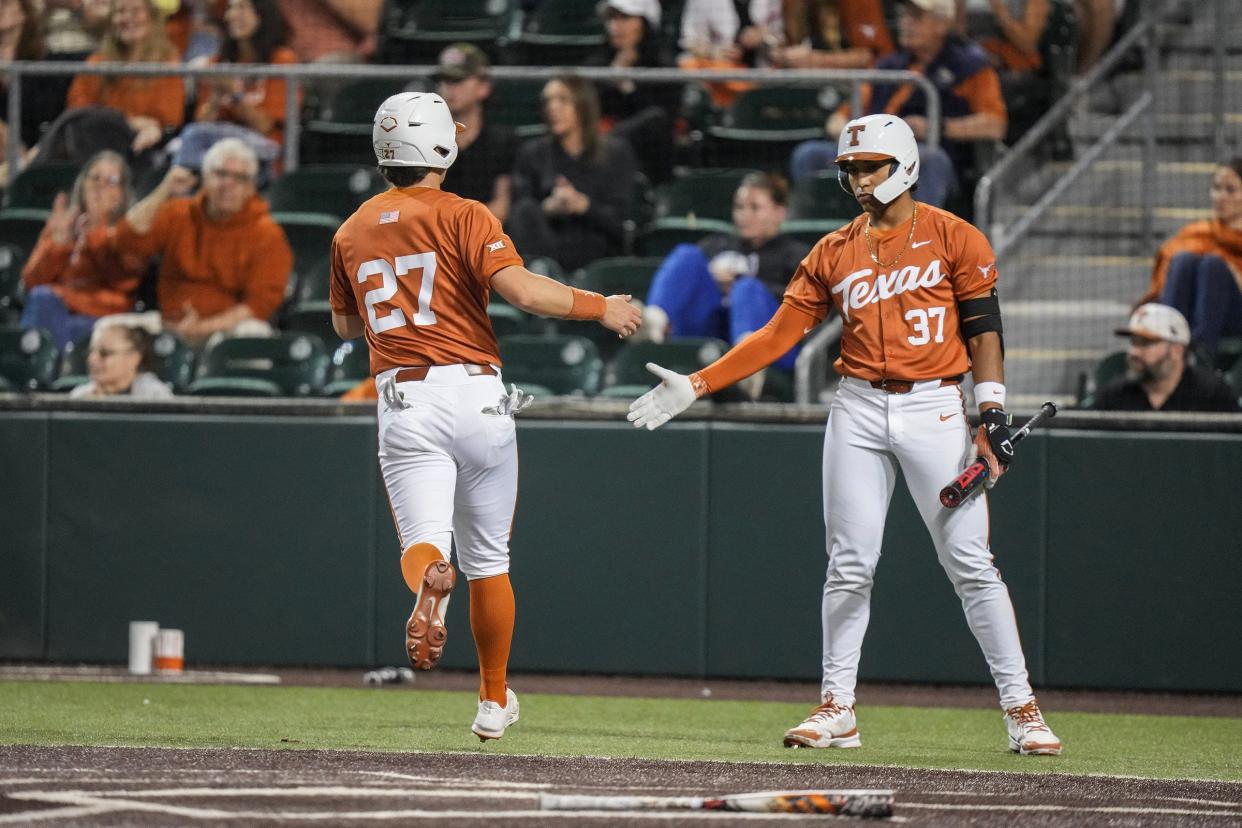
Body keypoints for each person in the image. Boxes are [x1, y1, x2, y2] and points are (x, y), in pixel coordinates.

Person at [629, 113, 1062, 756]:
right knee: (849, 564)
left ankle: (1022, 708)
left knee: (970, 563)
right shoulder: (833, 249)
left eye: (871, 166)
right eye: (851, 168)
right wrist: (698, 383)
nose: (859, 179)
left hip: (937, 407)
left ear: (906, 165)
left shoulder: (955, 237)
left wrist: (992, 413)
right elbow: (777, 335)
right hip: (857, 406)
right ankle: (838, 706)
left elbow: (983, 331)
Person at [329, 92, 640, 740]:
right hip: (477, 393)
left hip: (405, 396)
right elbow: (524, 291)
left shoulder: (350, 230)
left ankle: (428, 585)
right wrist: (598, 306)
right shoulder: (466, 214)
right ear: (442, 145)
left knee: (424, 545)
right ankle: (493, 701)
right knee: (490, 560)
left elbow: (344, 323)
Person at [788, 0, 1007, 209]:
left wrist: (935, 127)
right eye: (904, 16)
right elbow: (838, 120)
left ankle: (914, 242)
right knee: (809, 154)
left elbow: (995, 124)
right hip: (871, 153)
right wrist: (854, 135)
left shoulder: (970, 66)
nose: (905, 23)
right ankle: (823, 238)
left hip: (928, 153)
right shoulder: (888, 65)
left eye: (916, 17)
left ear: (942, 24)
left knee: (928, 159)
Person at [104, 137, 292, 345]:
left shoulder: (267, 234)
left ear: (251, 188)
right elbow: (125, 240)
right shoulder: (178, 213)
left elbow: (259, 305)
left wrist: (203, 328)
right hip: (169, 324)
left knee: (253, 334)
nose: (228, 184)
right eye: (220, 174)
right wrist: (164, 190)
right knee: (107, 329)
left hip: (225, 330)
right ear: (204, 178)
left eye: (240, 178)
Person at [643, 172, 810, 374]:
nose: (744, 215)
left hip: (770, 344)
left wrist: (739, 282)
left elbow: (803, 309)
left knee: (746, 288)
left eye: (755, 208)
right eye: (739, 207)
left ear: (779, 212)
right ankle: (654, 322)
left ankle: (748, 362)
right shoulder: (715, 245)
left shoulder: (794, 254)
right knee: (687, 255)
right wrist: (713, 280)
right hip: (710, 333)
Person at [508, 75, 638, 272]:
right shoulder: (533, 153)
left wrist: (583, 205)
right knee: (525, 209)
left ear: (583, 105)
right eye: (548, 101)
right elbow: (520, 214)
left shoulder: (615, 152)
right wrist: (548, 208)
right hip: (545, 247)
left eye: (563, 100)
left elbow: (621, 223)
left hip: (595, 248)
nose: (552, 107)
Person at [20, 151, 149, 348]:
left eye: (111, 181)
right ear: (82, 184)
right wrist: (60, 243)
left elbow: (124, 283)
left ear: (123, 193)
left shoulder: (129, 230)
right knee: (42, 298)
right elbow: (31, 280)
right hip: (58, 311)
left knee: (47, 302)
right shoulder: (62, 223)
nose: (100, 186)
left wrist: (97, 229)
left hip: (104, 318)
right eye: (95, 178)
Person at [177, 0, 296, 177]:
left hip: (264, 146)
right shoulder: (217, 63)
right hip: (217, 143)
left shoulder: (282, 60)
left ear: (262, 15)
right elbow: (203, 122)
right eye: (230, 8)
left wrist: (235, 94)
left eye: (242, 8)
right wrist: (216, 97)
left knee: (194, 140)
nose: (232, 15)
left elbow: (265, 126)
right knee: (193, 137)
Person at [1136, 158, 1242, 357]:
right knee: (1183, 260)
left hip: (1236, 315)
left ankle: (1200, 356)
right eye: (1216, 188)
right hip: (1192, 311)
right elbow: (1166, 278)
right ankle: (1166, 343)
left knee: (1213, 266)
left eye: (1230, 190)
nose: (1221, 197)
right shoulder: (1197, 231)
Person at [62, 0, 185, 155]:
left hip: (150, 144)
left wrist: (151, 129)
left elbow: (171, 119)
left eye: (136, 11)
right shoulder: (97, 62)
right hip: (98, 142)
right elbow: (78, 109)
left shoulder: (168, 64)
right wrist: (129, 122)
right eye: (120, 12)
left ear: (152, 17)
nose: (127, 18)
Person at [592, 0, 680, 184]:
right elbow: (590, 104)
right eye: (612, 18)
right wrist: (613, 76)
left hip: (651, 159)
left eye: (625, 18)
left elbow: (662, 117)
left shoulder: (663, 65)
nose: (616, 26)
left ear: (645, 23)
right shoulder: (600, 61)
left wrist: (626, 86)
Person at [1092, 303, 1239, 412]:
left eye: (1146, 344)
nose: (1134, 352)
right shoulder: (1115, 395)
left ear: (1176, 350)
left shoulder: (1212, 395)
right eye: (1133, 343)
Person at [433, 43, 517, 223]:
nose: (448, 88)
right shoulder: (427, 140)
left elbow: (502, 207)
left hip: (484, 239)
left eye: (457, 80)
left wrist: (456, 226)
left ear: (484, 87)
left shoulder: (502, 142)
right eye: (444, 80)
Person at [768, 0, 895, 70]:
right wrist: (782, 54)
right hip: (804, 79)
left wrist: (814, 60)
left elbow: (869, 57)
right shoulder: (792, 3)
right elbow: (789, 44)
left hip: (856, 83)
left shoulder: (860, 2)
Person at [68, 320, 174, 398]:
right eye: (91, 352)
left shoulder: (155, 397)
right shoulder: (80, 396)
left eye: (104, 353)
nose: (92, 359)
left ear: (134, 358)